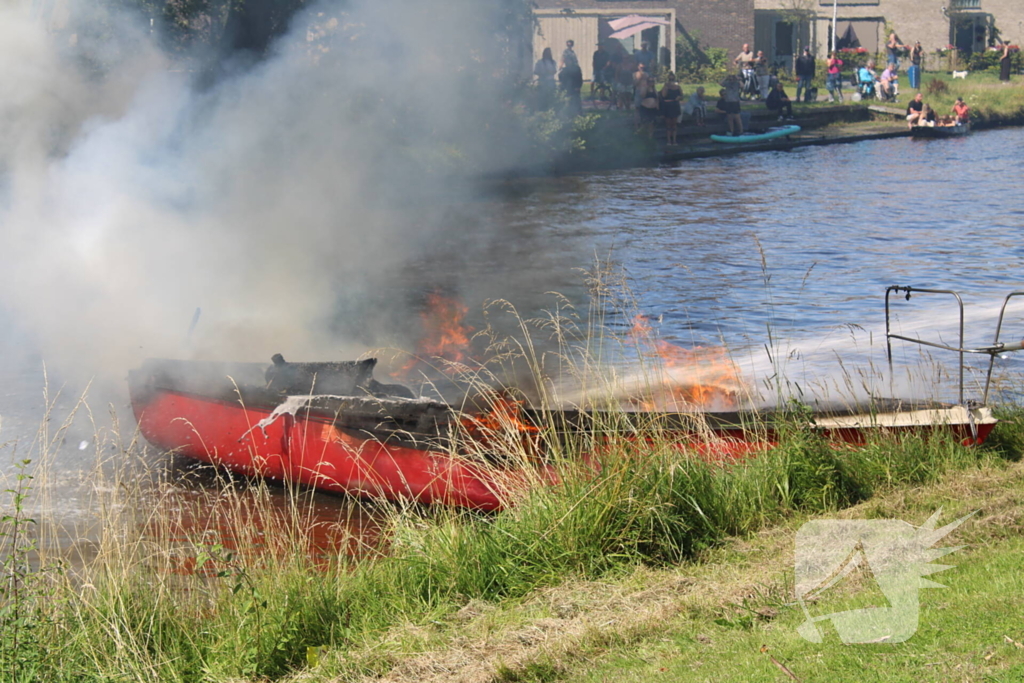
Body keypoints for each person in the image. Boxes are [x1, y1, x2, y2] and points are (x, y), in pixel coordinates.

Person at [660, 73, 683, 145]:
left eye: (672, 79)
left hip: (675, 105)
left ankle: (674, 140)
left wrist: (679, 97)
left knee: (674, 124)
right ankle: (669, 140)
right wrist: (666, 87)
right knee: (668, 124)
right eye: (670, 79)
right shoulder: (665, 86)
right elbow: (663, 95)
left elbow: (682, 95)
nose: (671, 80)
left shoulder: (678, 87)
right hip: (667, 105)